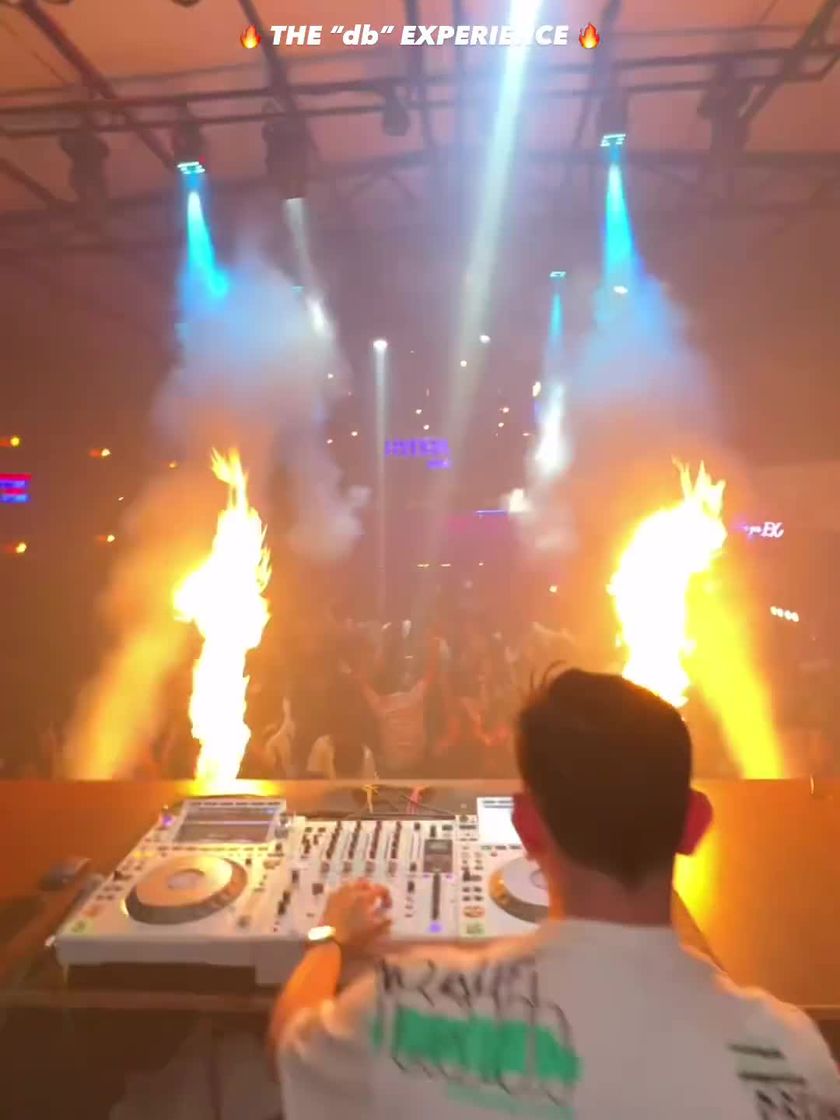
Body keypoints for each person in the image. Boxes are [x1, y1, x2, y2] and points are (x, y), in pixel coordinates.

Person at [268, 669, 840, 1119]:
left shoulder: (407, 1006)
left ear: (527, 826)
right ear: (695, 826)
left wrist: (331, 940)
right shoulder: (793, 1058)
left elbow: (291, 1043)